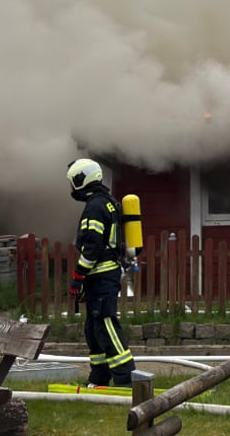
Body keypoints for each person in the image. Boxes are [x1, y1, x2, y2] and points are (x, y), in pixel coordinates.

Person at [66, 158, 135, 388]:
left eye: (73, 181)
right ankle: (99, 376)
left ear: (82, 179)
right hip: (100, 276)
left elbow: (92, 247)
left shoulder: (95, 207)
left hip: (102, 276)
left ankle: (126, 379)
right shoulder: (107, 202)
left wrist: (77, 277)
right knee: (93, 329)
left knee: (106, 325)